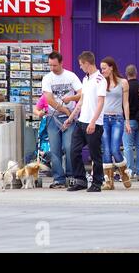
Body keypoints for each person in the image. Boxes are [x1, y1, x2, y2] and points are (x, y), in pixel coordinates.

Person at [64, 51, 107, 192]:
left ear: (87, 63)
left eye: (81, 65)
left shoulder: (100, 80)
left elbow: (101, 102)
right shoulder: (85, 79)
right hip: (81, 121)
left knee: (95, 155)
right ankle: (80, 180)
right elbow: (81, 101)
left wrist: (93, 122)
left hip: (94, 123)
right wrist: (71, 118)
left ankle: (97, 183)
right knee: (73, 151)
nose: (80, 67)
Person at [42, 51, 82, 189]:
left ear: (61, 63)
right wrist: (64, 109)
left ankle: (71, 176)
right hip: (53, 117)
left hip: (69, 118)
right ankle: (58, 178)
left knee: (69, 146)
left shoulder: (71, 76)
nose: (52, 68)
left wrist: (70, 99)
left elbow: (82, 93)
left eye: (55, 65)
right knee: (55, 149)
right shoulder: (47, 78)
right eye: (50, 65)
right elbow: (48, 99)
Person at [100, 56, 131, 190]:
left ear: (111, 67)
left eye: (104, 68)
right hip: (104, 119)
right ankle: (109, 181)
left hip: (118, 119)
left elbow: (126, 103)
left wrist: (127, 122)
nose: (102, 71)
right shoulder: (101, 82)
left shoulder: (123, 82)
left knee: (114, 149)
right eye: (101, 69)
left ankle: (124, 173)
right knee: (106, 150)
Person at [123, 64, 139, 179]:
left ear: (126, 74)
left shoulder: (125, 87)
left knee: (128, 147)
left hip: (128, 120)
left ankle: (130, 171)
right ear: (136, 73)